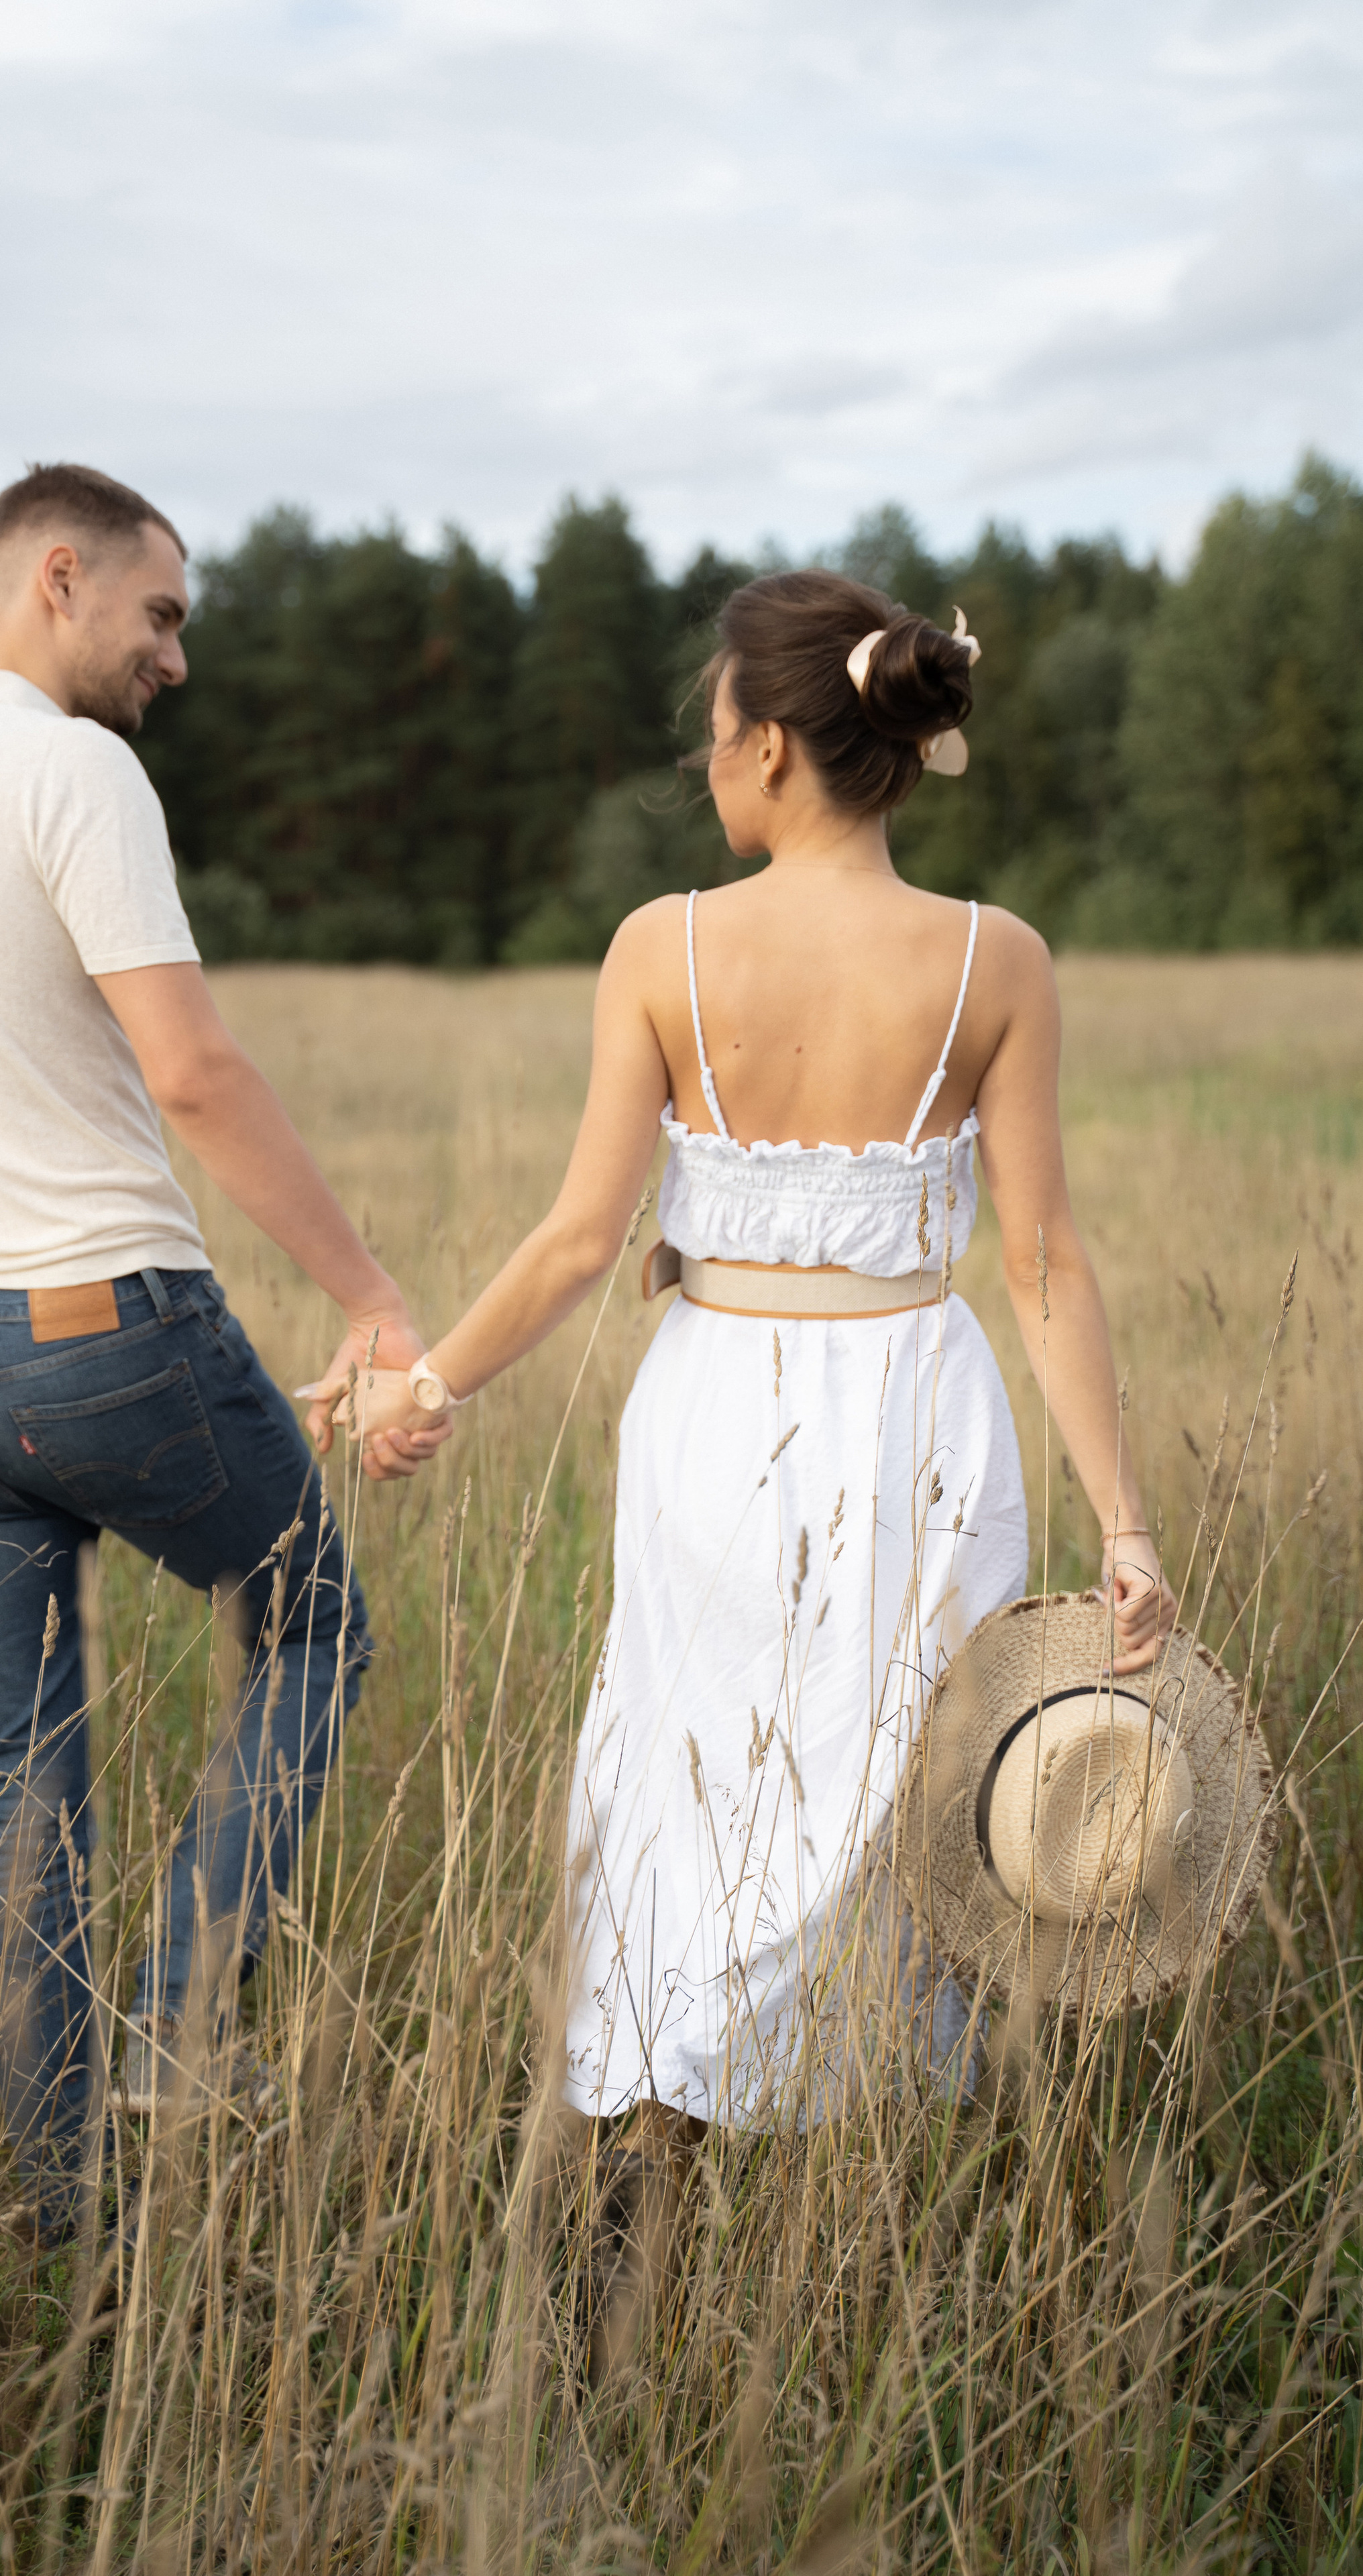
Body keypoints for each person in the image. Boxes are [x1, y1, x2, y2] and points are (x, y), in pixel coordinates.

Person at [310, 568, 1177, 2140]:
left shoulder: (663, 947)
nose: (708, 760)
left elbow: (579, 1238)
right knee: (898, 1787)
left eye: (716, 730)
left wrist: (425, 1387)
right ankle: (863, 2122)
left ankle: (663, 2118)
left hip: (719, 1418)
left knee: (699, 1771)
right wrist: (1123, 1526)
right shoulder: (998, 959)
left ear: (774, 744)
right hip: (920, 1416)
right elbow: (1042, 1261)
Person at [0, 462, 443, 2244]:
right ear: (58, 580)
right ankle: (181, 2022)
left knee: (21, 1782)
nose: (176, 657)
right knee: (313, 1622)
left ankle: (65, 2220)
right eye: (161, 615)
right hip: (106, 1329)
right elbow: (194, 1071)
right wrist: (372, 1299)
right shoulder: (76, 771)